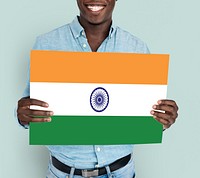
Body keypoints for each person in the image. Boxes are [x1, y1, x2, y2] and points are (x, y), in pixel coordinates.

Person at [17, 0, 179, 177]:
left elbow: (146, 118)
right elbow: (30, 110)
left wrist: (161, 121)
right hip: (63, 173)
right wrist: (24, 116)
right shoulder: (46, 44)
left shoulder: (137, 49)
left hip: (121, 172)